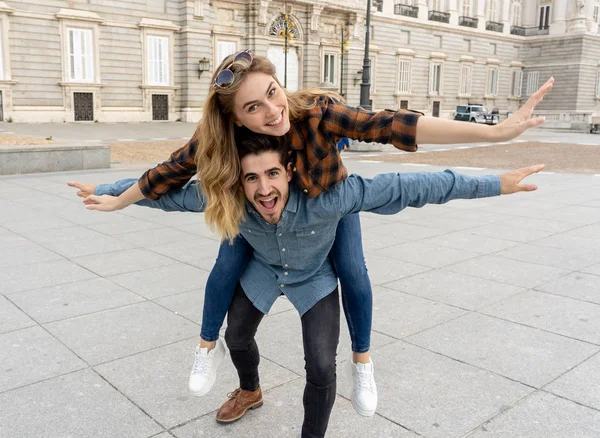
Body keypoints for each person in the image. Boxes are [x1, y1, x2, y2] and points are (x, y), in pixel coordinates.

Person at [67, 50, 554, 417]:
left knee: (352, 280)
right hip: (261, 244)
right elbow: (167, 181)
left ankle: (361, 361)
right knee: (232, 300)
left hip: (326, 209)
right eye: (253, 107)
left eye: (272, 93)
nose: (271, 111)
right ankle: (238, 377)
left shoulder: (315, 116)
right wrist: (115, 195)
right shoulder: (225, 161)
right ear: (234, 120)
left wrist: (493, 148)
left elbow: (394, 136)